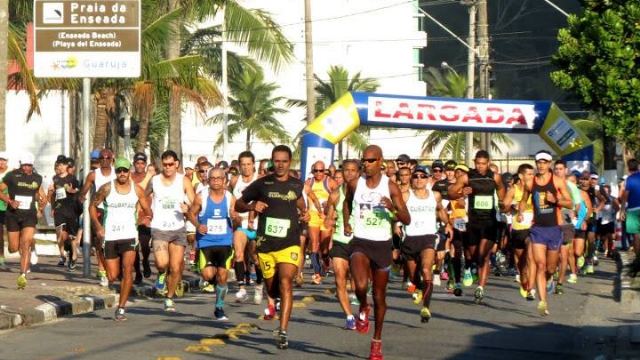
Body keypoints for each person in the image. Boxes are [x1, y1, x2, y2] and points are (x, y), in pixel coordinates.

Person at [235, 145, 309, 350]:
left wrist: (305, 214)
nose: (280, 165)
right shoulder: (262, 184)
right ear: (272, 161)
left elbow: (301, 204)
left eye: (284, 161)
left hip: (289, 242)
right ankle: (273, 298)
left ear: (290, 162)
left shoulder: (296, 185)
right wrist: (252, 207)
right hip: (266, 244)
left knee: (286, 280)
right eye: (277, 161)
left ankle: (283, 330)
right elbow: (238, 205)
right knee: (272, 285)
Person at [343, 145, 411, 360]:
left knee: (380, 296)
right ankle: (363, 305)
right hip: (361, 242)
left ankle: (377, 341)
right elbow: (346, 203)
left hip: (382, 245)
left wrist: (393, 209)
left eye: (371, 160)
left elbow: (407, 218)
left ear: (381, 161)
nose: (366, 164)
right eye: (364, 160)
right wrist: (346, 222)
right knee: (361, 285)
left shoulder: (390, 187)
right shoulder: (355, 183)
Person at [90, 157, 151, 321]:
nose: (122, 173)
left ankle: (121, 308)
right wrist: (98, 226)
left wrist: (145, 218)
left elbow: (147, 210)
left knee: (127, 269)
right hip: (110, 236)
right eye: (119, 170)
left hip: (130, 235)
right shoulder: (107, 188)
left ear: (129, 171)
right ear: (115, 171)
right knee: (112, 276)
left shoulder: (136, 190)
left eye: (125, 170)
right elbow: (92, 206)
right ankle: (100, 253)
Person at [519, 151, 573, 316]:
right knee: (540, 265)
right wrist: (520, 211)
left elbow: (570, 203)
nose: (541, 165)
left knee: (550, 267)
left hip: (554, 229)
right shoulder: (530, 183)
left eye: (544, 162)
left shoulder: (557, 181)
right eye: (538, 162)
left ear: (549, 164)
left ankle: (550, 278)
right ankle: (543, 302)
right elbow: (523, 199)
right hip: (537, 229)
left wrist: (556, 200)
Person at [448, 150, 505, 303]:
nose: (480, 167)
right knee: (474, 255)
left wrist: (501, 202)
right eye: (478, 164)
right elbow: (451, 193)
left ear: (488, 163)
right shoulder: (467, 177)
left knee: (483, 254)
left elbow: (500, 188)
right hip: (473, 223)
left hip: (490, 222)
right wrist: (461, 193)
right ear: (474, 162)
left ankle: (480, 286)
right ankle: (473, 269)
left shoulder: (495, 177)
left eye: (483, 164)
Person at [188, 167, 240, 321]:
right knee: (208, 275)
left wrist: (235, 217)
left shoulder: (230, 198)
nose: (216, 181)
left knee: (223, 276)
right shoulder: (201, 197)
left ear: (224, 180)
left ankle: (219, 306)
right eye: (213, 178)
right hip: (206, 241)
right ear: (208, 180)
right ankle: (212, 281)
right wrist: (198, 226)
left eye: (219, 178)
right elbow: (191, 213)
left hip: (224, 241)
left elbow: (237, 222)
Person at [146, 150, 195, 311]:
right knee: (162, 262)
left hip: (178, 228)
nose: (167, 167)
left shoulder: (184, 180)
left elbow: (195, 203)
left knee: (175, 267)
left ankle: (169, 297)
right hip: (159, 227)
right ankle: (161, 272)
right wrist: (145, 212)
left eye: (170, 164)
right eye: (165, 164)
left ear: (176, 164)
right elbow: (141, 195)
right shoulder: (155, 180)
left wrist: (188, 208)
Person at [402, 166, 452, 322]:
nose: (419, 179)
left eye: (422, 176)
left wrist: (448, 224)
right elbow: (397, 211)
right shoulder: (405, 195)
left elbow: (441, 209)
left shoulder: (435, 195)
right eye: (415, 176)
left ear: (428, 178)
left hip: (428, 237)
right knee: (413, 275)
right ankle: (417, 287)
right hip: (410, 238)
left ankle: (426, 308)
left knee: (425, 269)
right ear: (411, 179)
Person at [0, 152, 46, 289]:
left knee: (25, 243)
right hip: (13, 215)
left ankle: (22, 275)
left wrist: (40, 200)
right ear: (20, 164)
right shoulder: (12, 176)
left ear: (33, 165)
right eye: (24, 165)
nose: (26, 168)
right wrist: (9, 201)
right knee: (14, 248)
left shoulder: (37, 178)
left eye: (29, 165)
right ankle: (15, 249)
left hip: (29, 215)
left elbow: (37, 192)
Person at [324, 159, 360, 330]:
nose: (349, 173)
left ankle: (362, 308)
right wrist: (330, 218)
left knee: (359, 282)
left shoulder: (364, 193)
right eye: (346, 170)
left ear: (359, 172)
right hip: (340, 240)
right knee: (339, 278)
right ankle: (349, 316)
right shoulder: (335, 194)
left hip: (360, 240)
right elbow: (328, 217)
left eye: (353, 170)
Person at [78, 148, 116, 286]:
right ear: (98, 160)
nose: (104, 160)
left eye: (107, 158)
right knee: (100, 240)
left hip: (116, 210)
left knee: (114, 242)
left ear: (112, 159)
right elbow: (84, 190)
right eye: (102, 158)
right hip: (100, 210)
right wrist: (81, 196)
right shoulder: (93, 175)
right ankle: (102, 270)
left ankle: (114, 268)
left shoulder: (118, 173)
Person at [229, 151, 262, 303]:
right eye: (243, 164)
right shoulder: (235, 180)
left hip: (257, 225)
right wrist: (232, 213)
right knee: (238, 254)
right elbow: (231, 200)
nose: (246, 168)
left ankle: (259, 286)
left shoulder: (260, 180)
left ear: (254, 165)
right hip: (240, 225)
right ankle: (241, 288)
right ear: (239, 166)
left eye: (249, 164)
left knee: (256, 258)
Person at [503, 163, 535, 299]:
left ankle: (531, 288)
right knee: (521, 262)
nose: (532, 176)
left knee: (530, 255)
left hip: (532, 229)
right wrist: (512, 206)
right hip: (517, 229)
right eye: (529, 174)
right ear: (521, 176)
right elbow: (503, 207)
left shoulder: (536, 189)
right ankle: (524, 281)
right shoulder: (513, 189)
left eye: (533, 174)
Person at [304, 160, 338, 285]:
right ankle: (317, 274)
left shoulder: (330, 182)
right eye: (316, 171)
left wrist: (333, 212)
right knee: (313, 244)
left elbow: (338, 196)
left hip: (326, 217)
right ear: (313, 171)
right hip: (313, 216)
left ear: (325, 171)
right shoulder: (308, 183)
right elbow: (302, 197)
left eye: (321, 170)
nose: (318, 173)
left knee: (324, 249)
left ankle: (326, 262)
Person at [48, 156, 80, 270]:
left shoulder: (72, 179)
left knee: (72, 235)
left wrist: (72, 191)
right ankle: (62, 255)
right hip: (59, 208)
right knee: (59, 231)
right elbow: (53, 195)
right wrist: (52, 208)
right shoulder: (55, 178)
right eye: (58, 165)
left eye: (62, 165)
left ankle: (74, 255)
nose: (60, 167)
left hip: (70, 209)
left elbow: (79, 192)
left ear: (67, 166)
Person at [130, 152, 153, 283]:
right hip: (131, 216)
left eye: (142, 163)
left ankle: (145, 261)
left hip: (145, 216)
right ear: (134, 164)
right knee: (133, 247)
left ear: (145, 164)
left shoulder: (151, 177)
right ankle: (138, 273)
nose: (140, 165)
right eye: (137, 163)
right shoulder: (129, 177)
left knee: (144, 245)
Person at [620, 159, 640, 256]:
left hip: (633, 210)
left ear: (628, 168)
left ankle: (638, 259)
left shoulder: (629, 180)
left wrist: (622, 210)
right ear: (638, 166)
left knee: (636, 235)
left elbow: (625, 196)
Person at [0, 152, 8, 265]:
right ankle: (1, 254)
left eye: (3, 160)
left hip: (10, 207)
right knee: (0, 232)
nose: (1, 162)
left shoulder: (11, 173)